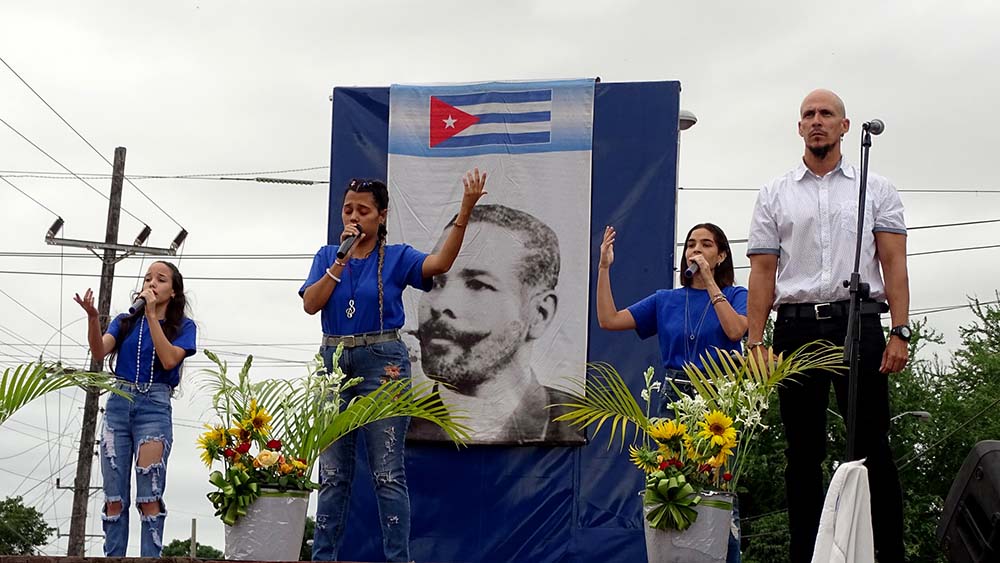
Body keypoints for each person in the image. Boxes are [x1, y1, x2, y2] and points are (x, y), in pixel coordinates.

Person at [746, 88, 909, 563]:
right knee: (802, 453)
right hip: (796, 326)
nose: (817, 121)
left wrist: (900, 330)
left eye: (826, 114)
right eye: (808, 115)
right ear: (799, 127)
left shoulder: (874, 188)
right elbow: (761, 271)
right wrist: (756, 340)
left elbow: (894, 264)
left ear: (844, 125)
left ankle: (887, 552)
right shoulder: (774, 193)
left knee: (872, 445)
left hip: (857, 322)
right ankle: (807, 555)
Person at [301, 170, 488, 563]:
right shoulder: (325, 256)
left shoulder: (397, 256)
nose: (354, 217)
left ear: (381, 216)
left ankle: (398, 559)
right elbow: (311, 303)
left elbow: (438, 263)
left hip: (381, 361)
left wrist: (465, 212)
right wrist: (340, 259)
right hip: (333, 362)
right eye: (348, 209)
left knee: (387, 472)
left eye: (363, 211)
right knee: (333, 475)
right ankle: (322, 558)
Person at [596, 221, 747, 562]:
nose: (696, 250)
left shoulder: (737, 295)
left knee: (717, 486)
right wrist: (604, 268)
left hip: (718, 397)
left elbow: (736, 330)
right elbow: (609, 319)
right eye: (691, 244)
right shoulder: (666, 300)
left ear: (721, 255)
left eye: (706, 245)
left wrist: (709, 281)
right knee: (671, 483)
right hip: (675, 394)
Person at [407, 204, 582, 445]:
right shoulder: (400, 425)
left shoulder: (580, 421)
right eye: (435, 282)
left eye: (477, 285)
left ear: (539, 313)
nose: (440, 304)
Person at [73, 261, 197, 557]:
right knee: (114, 497)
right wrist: (93, 319)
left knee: (149, 494)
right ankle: (113, 555)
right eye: (148, 278)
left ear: (174, 291)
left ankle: (149, 557)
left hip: (154, 405)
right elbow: (99, 351)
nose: (152, 283)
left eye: (161, 279)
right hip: (118, 403)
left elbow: (169, 360)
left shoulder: (184, 327)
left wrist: (153, 316)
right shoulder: (125, 320)